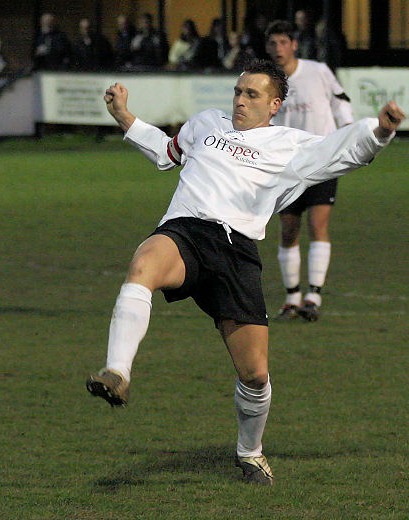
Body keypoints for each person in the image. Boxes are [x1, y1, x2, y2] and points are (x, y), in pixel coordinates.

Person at [86, 60, 403, 485]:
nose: (239, 100)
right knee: (143, 264)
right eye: (237, 91)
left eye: (251, 94)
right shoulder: (205, 123)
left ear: (274, 104)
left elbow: (343, 150)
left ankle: (250, 453)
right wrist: (125, 116)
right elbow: (167, 153)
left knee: (254, 374)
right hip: (185, 231)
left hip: (236, 251)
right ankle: (118, 372)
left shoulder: (290, 146)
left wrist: (378, 132)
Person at [265, 20, 354, 322]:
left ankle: (313, 296)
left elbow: (341, 104)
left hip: (321, 160)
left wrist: (348, 136)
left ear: (294, 45)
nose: (278, 49)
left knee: (318, 224)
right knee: (288, 229)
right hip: (286, 165)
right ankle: (292, 298)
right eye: (272, 43)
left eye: (282, 42)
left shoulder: (318, 71)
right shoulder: (267, 80)